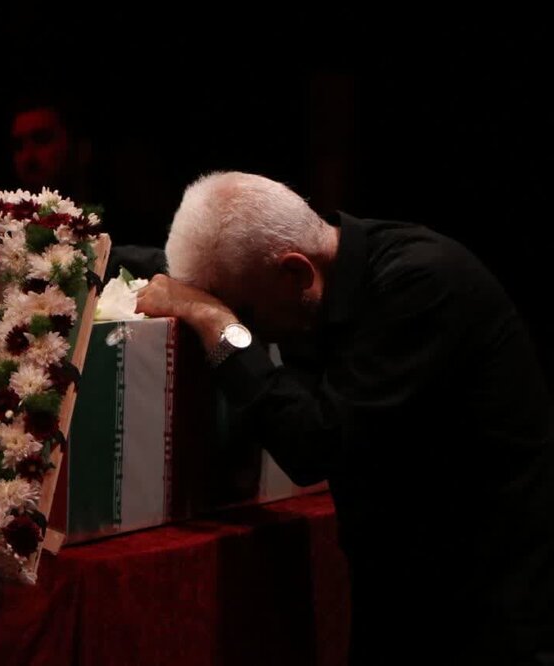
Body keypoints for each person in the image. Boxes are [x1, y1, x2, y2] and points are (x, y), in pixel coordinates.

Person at [135, 172, 554, 664]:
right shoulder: (311, 274)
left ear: (297, 275)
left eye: (245, 311)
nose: (249, 323)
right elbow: (175, 268)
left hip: (484, 609)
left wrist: (218, 324)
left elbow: (313, 445)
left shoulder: (421, 284)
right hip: (405, 588)